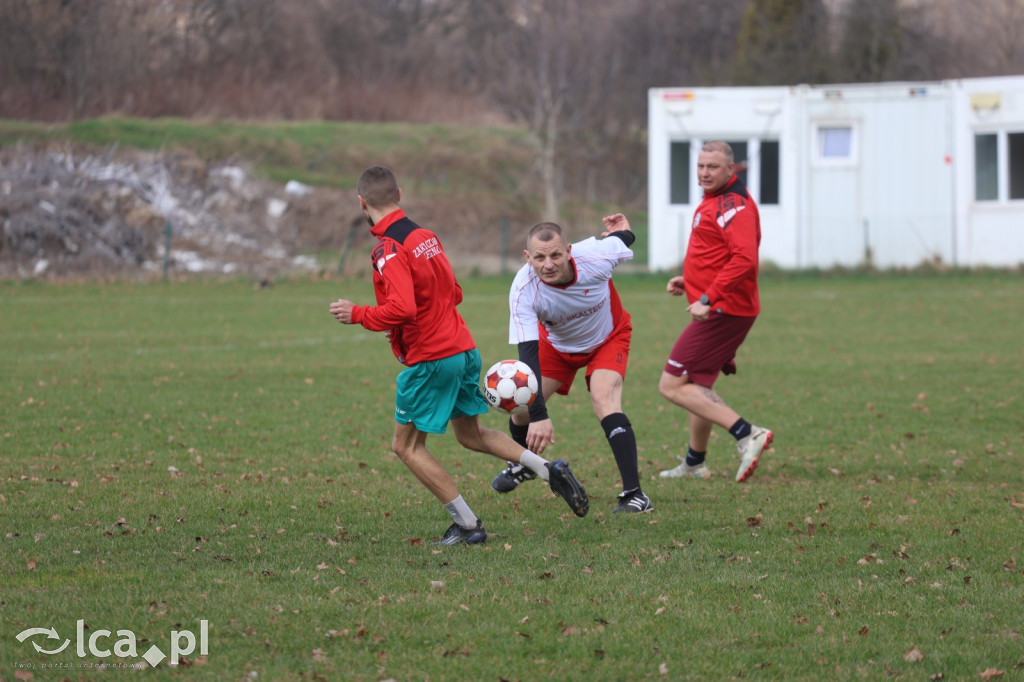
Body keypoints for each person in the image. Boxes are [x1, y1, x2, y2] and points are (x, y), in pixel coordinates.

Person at [329, 166, 589, 546]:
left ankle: (467, 524)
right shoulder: (425, 237)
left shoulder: (387, 248)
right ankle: (551, 471)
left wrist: (359, 314)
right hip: (463, 349)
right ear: (399, 195)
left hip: (433, 358)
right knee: (471, 435)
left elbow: (403, 308)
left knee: (405, 446)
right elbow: (454, 291)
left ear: (361, 202)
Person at [489, 214, 652, 514]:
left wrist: (624, 231)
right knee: (522, 410)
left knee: (603, 398)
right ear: (527, 257)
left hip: (608, 337)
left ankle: (635, 495)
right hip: (556, 345)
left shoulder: (596, 257)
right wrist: (538, 414)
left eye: (555, 255)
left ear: (569, 250)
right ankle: (523, 464)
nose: (548, 264)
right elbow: (527, 354)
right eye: (539, 257)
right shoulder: (523, 288)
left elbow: (623, 241)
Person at [657, 140, 773, 483]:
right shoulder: (715, 201)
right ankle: (695, 462)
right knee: (696, 382)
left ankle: (747, 433)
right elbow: (717, 253)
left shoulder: (734, 205)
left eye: (713, 167)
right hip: (719, 304)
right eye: (701, 166)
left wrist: (708, 298)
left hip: (725, 309)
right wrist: (691, 281)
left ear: (731, 170)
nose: (705, 173)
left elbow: (744, 259)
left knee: (672, 384)